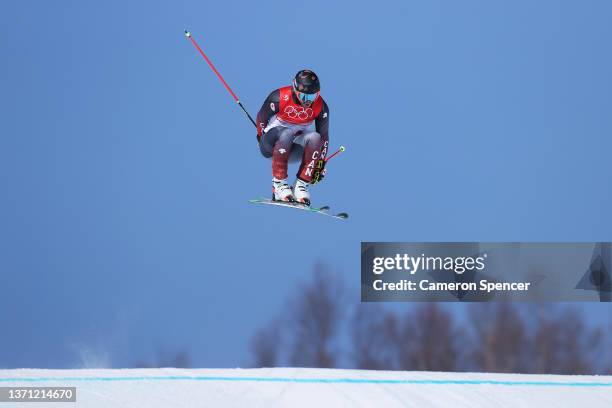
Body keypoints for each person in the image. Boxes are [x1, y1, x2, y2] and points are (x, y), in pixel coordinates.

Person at [256, 69, 329, 206]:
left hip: (293, 149)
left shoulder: (320, 107)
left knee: (315, 138)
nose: (309, 102)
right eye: (305, 97)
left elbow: (324, 138)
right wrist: (260, 136)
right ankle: (279, 185)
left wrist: (320, 164)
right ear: (295, 89)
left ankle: (300, 186)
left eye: (313, 97)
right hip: (271, 143)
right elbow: (261, 117)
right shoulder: (279, 97)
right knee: (287, 133)